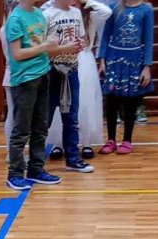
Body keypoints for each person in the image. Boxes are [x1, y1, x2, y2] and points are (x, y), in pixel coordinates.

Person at [5, 0, 62, 190]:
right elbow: (17, 54)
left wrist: (56, 45)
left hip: (43, 74)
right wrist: (45, 46)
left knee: (41, 127)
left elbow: (42, 45)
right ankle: (15, 174)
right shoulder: (15, 19)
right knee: (21, 129)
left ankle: (36, 170)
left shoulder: (38, 14)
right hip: (25, 80)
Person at [45, 0, 112, 160]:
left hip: (85, 60)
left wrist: (86, 1)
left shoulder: (90, 15)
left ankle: (86, 143)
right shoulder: (54, 13)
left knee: (85, 103)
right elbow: (44, 9)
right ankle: (58, 144)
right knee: (61, 102)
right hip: (61, 58)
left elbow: (107, 12)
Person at [42, 0, 94, 173]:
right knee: (45, 118)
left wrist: (78, 46)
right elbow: (42, 49)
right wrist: (64, 48)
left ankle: (72, 159)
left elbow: (80, 39)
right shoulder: (46, 15)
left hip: (71, 71)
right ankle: (36, 161)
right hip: (51, 71)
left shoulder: (76, 13)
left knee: (71, 117)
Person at [98, 0, 154, 155]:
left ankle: (127, 140)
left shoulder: (146, 10)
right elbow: (106, 35)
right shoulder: (114, 8)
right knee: (111, 100)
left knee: (130, 101)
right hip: (114, 59)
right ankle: (111, 139)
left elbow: (148, 39)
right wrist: (102, 60)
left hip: (134, 61)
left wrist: (147, 66)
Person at [1, 0, 21, 163]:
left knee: (13, 115)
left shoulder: (4, 28)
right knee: (15, 116)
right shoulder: (12, 27)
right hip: (17, 74)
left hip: (11, 74)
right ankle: (13, 152)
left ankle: (12, 151)